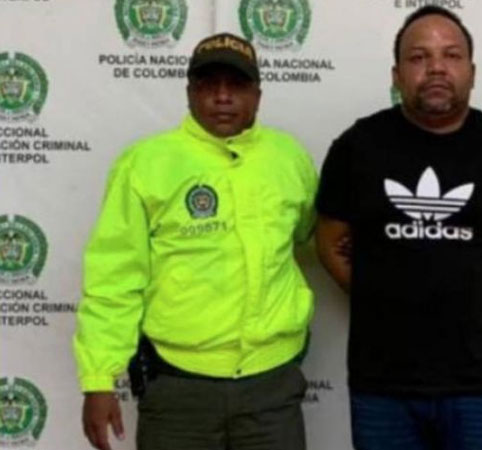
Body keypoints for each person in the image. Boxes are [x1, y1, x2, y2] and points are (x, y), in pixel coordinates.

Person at [314, 6, 482, 450]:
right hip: (383, 383)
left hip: (477, 384)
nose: (437, 68)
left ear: (472, 72)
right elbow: (329, 242)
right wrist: (379, 292)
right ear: (396, 74)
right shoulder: (357, 147)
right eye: (419, 57)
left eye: (451, 55)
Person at [73, 32, 318, 450]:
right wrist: (98, 378)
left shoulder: (289, 158)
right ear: (189, 93)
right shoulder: (145, 164)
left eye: (236, 85)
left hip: (271, 389)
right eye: (208, 85)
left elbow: (311, 235)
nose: (222, 97)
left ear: (258, 95)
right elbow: (114, 278)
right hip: (178, 390)